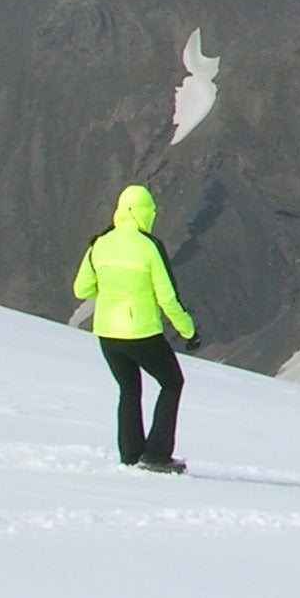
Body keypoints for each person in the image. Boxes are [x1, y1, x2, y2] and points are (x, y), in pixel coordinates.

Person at [74, 183, 197, 473]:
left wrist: (112, 291)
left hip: (106, 332)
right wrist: (189, 331)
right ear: (144, 213)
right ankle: (157, 455)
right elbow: (168, 298)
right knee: (171, 382)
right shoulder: (149, 246)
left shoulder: (100, 244)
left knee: (128, 390)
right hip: (140, 332)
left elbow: (81, 289)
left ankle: (130, 455)